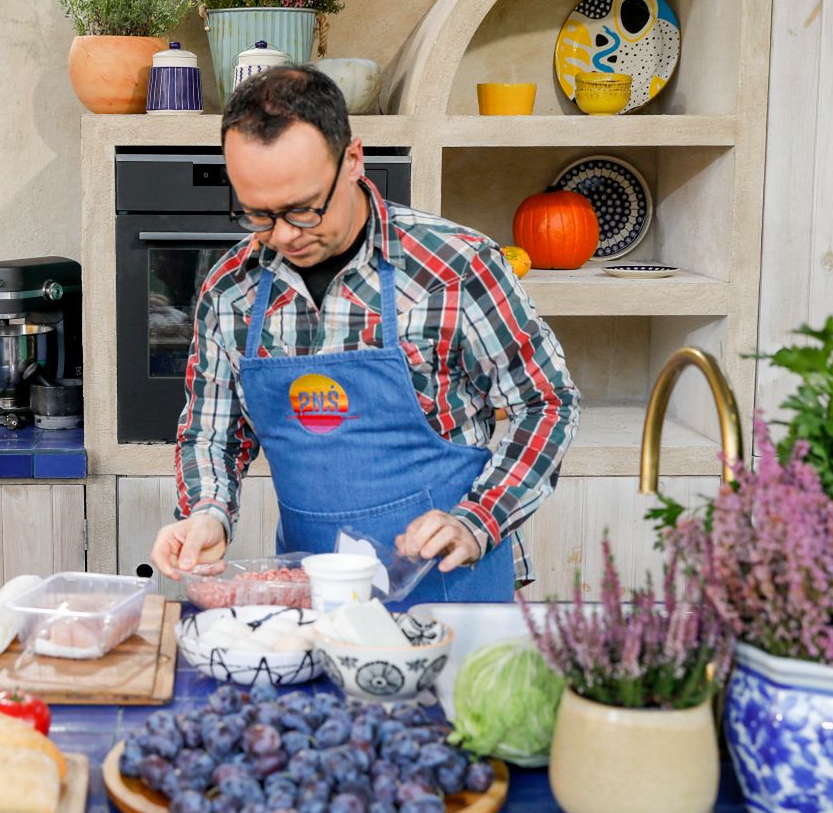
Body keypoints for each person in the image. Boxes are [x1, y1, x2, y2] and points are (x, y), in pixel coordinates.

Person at [150, 66, 579, 602]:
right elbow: (213, 433)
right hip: (317, 594)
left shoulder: (454, 267)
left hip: (454, 591)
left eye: (304, 209)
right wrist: (208, 513)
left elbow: (546, 402)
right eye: (257, 214)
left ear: (353, 160)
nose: (283, 235)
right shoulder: (231, 289)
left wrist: (480, 518)